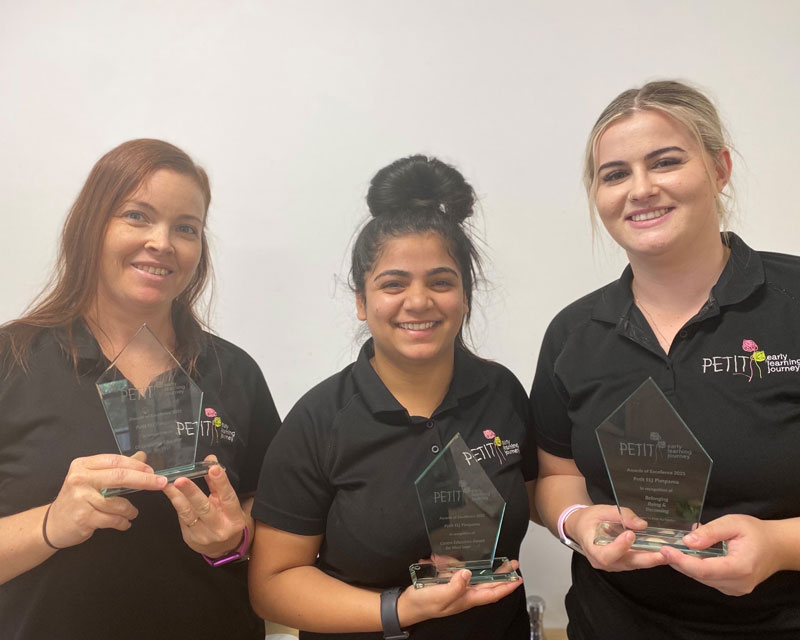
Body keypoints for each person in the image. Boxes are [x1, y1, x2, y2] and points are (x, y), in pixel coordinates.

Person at [532, 80, 800, 639]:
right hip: (611, 625)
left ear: (720, 169)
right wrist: (578, 523)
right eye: (615, 174)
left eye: (666, 162)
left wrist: (780, 546)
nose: (641, 189)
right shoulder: (573, 334)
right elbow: (556, 475)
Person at [0, 139, 281, 639]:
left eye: (186, 228)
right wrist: (51, 524)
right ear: (91, 226)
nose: (162, 242)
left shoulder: (234, 372)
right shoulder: (12, 358)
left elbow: (275, 524)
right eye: (137, 216)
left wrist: (232, 541)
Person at [249, 155, 537, 639]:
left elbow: (531, 499)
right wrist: (400, 610)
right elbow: (272, 585)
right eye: (393, 283)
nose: (419, 301)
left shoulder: (501, 392)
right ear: (361, 301)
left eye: (441, 282)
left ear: (465, 296)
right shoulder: (318, 421)